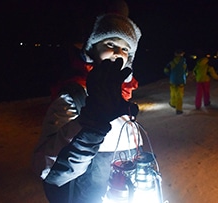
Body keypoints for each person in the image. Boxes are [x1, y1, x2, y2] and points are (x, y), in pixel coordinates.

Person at [32, 4, 142, 203]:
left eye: (125, 48)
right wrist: (92, 124)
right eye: (109, 44)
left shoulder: (122, 98)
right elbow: (47, 169)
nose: (118, 52)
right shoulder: (73, 97)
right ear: (92, 49)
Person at [164, 49, 188, 114]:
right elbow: (186, 73)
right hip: (181, 81)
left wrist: (171, 75)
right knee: (179, 95)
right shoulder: (184, 63)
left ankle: (173, 104)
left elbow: (166, 70)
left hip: (173, 80)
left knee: (173, 93)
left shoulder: (171, 63)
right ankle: (179, 109)